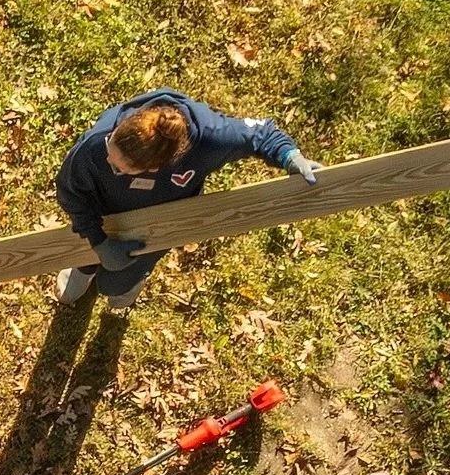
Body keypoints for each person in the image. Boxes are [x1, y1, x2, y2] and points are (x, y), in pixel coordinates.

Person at [53, 88, 321, 312]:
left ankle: (129, 283)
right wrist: (98, 241)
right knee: (89, 253)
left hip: (158, 223)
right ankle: (84, 270)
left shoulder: (210, 138)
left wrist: (289, 156)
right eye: (111, 152)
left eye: (120, 168)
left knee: (116, 284)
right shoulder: (99, 141)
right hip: (103, 211)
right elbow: (70, 191)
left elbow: (262, 134)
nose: (108, 161)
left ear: (154, 167)